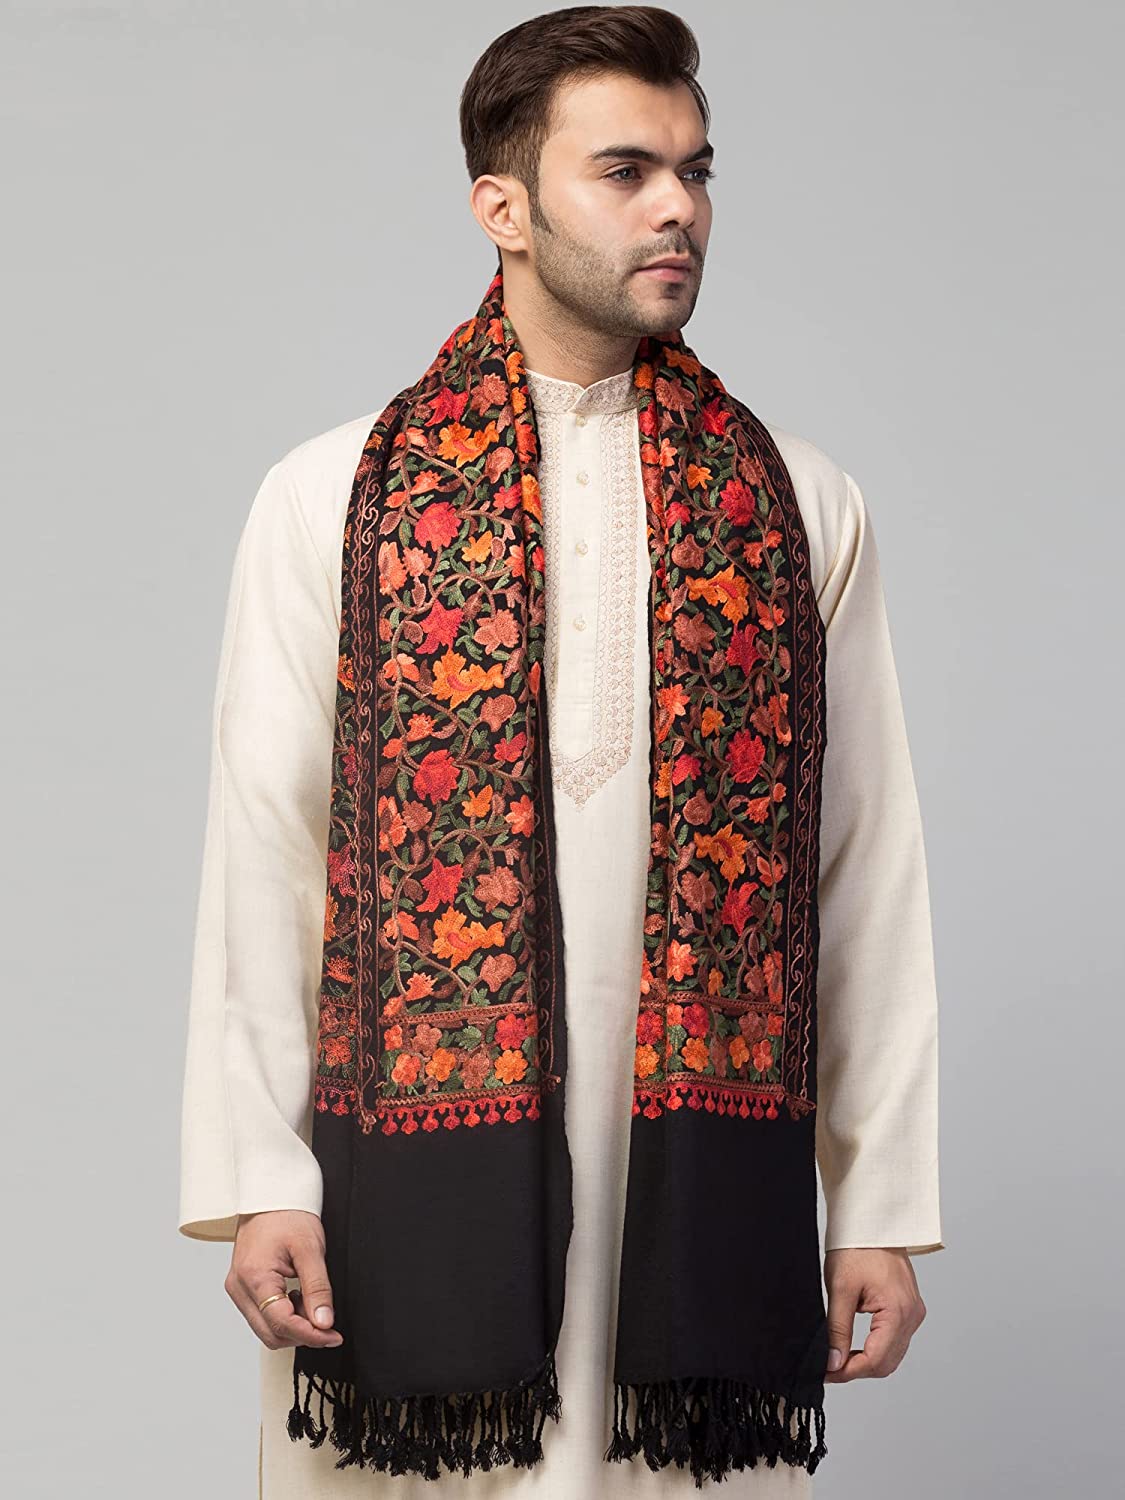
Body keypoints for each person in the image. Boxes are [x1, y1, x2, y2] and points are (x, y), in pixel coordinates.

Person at [178, 7, 944, 1495]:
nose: (678, 208)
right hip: (411, 1197)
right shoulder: (333, 496)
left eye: (695, 170)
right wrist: (258, 1177)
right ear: (504, 208)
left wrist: (878, 1206)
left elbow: (861, 867)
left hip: (699, 1190)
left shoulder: (795, 503)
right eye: (624, 170)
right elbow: (268, 847)